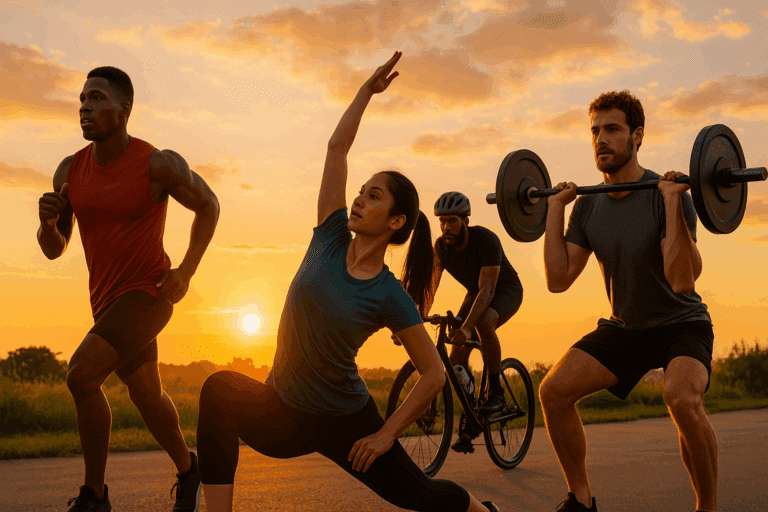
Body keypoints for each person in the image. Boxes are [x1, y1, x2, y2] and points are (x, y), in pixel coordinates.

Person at [196, 52, 499, 512]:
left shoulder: (389, 294)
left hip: (345, 422)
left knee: (422, 495)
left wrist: (385, 435)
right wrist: (365, 92)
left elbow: (434, 374)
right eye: (360, 191)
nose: (358, 199)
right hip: (282, 412)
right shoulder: (330, 234)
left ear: (396, 221)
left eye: (373, 196)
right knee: (219, 389)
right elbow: (337, 149)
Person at [37, 66, 220, 512]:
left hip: (148, 294)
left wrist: (186, 271)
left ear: (124, 109)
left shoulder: (158, 164)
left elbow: (209, 205)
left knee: (81, 376)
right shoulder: (69, 170)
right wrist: (47, 224)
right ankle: (190, 469)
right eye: (82, 99)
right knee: (146, 394)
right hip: (105, 302)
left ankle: (94, 496)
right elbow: (54, 250)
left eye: (97, 98)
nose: (85, 107)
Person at [539, 90, 716, 512]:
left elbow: (681, 282)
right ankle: (581, 500)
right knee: (553, 391)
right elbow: (558, 280)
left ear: (637, 136)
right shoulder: (588, 207)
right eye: (595, 131)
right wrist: (554, 210)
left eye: (613, 129)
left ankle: (707, 507)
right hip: (627, 327)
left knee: (681, 398)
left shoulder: (667, 193)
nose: (601, 139)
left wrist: (671, 202)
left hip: (682, 324)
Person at [429, 191, 524, 453]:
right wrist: (415, 316)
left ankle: (496, 393)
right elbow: (430, 286)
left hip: (505, 290)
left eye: (452, 221)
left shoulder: (485, 240)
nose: (446, 227)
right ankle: (472, 417)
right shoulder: (441, 248)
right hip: (476, 293)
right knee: (456, 358)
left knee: (483, 324)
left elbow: (488, 289)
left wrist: (468, 327)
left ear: (466, 221)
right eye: (442, 221)